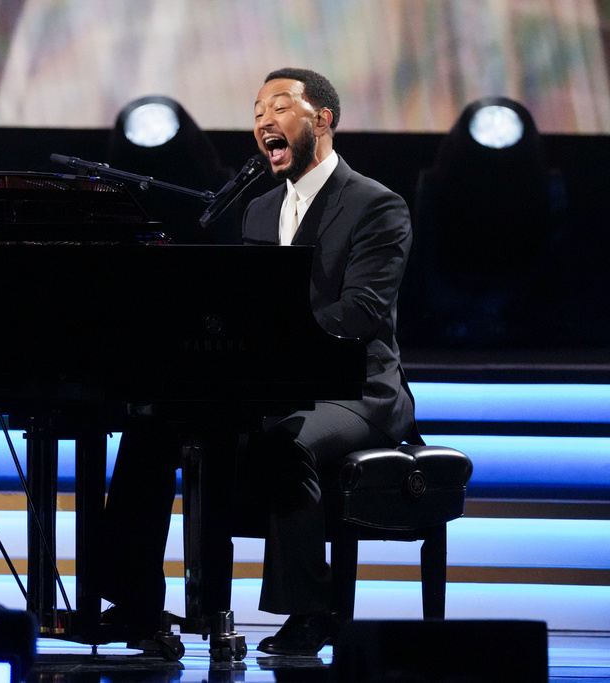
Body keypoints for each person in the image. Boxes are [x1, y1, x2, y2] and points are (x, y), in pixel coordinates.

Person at [100, 67, 420, 656]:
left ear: (322, 120)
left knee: (285, 439)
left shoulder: (378, 205)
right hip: (273, 383)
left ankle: (309, 608)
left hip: (356, 391)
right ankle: (133, 602)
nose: (263, 122)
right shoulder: (257, 209)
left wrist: (279, 346)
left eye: (278, 108)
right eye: (255, 113)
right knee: (150, 427)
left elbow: (362, 312)